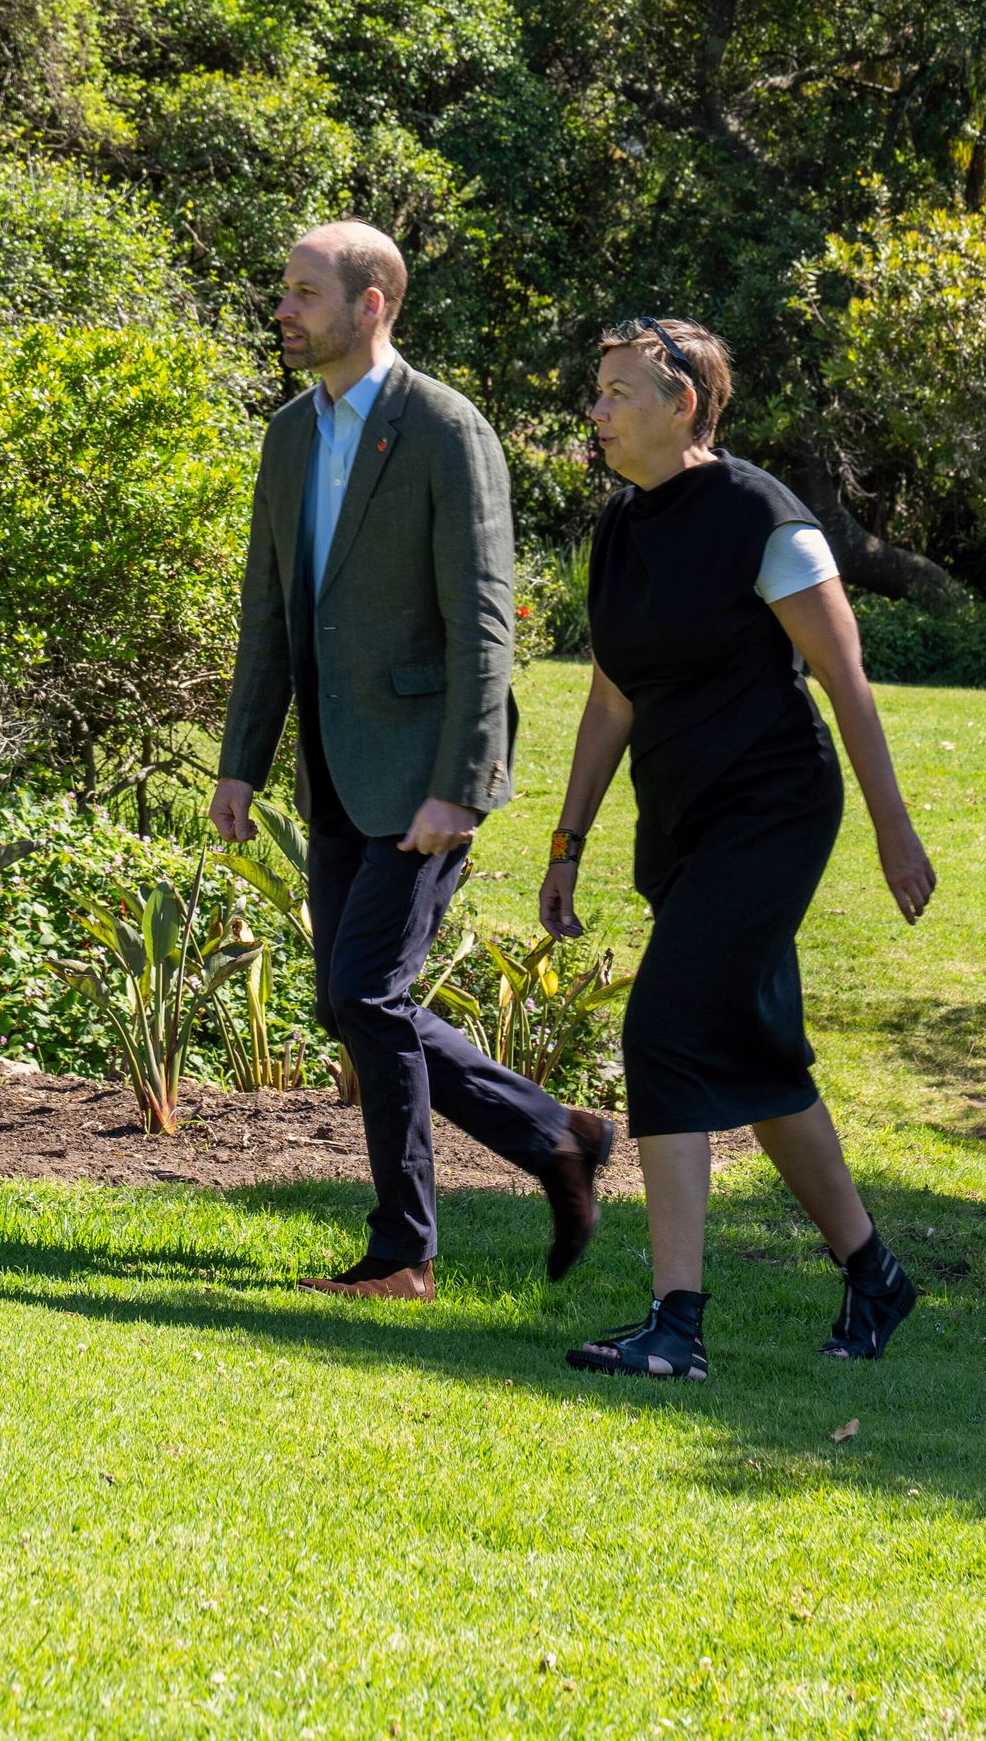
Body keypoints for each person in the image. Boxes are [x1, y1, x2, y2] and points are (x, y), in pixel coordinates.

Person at [212, 222, 617, 1299]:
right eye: (284, 290)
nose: (285, 311)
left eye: (305, 293)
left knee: (364, 993)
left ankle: (406, 1252)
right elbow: (271, 612)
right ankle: (557, 1139)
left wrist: (462, 779)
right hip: (336, 768)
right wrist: (239, 761)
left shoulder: (445, 428)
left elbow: (485, 621)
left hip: (425, 770)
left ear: (372, 303)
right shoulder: (290, 434)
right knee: (354, 1001)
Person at [540, 317, 936, 1380]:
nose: (597, 410)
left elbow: (846, 680)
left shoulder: (765, 517)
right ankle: (875, 1272)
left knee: (666, 1031)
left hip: (772, 810)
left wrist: (894, 827)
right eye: (596, 390)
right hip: (684, 820)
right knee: (757, 1057)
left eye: (618, 391)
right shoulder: (621, 529)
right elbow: (612, 693)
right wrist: (567, 838)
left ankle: (677, 1322)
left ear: (683, 405)